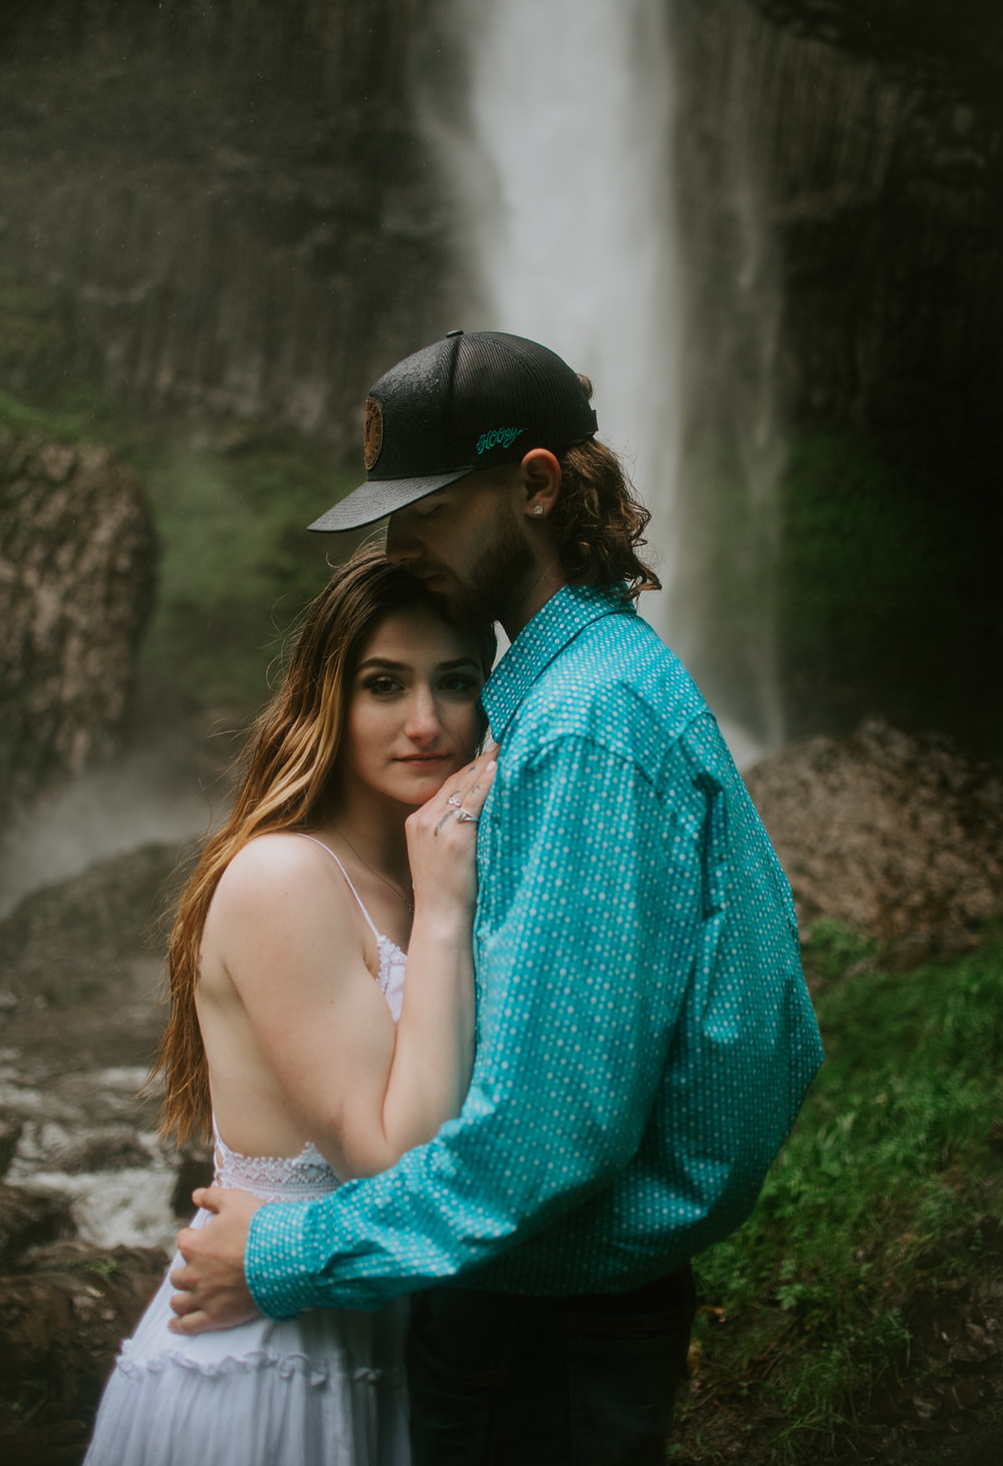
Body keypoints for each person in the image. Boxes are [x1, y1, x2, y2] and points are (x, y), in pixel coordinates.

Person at [169, 330, 824, 1464]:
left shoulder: (579, 726)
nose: (399, 538)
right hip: (563, 1314)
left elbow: (546, 1141)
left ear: (533, 484)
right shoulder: (600, 688)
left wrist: (286, 1255)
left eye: (424, 505)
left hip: (546, 1328)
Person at [84, 550, 497, 1466]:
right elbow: (395, 1165)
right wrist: (442, 912)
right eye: (384, 685)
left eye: (456, 683)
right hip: (267, 1382)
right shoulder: (287, 878)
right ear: (329, 702)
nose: (426, 723)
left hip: (390, 1363)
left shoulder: (429, 864)